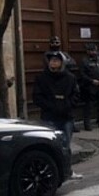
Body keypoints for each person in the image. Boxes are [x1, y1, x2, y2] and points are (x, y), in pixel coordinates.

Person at [33, 51, 82, 179]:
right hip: (49, 117)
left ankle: (68, 171)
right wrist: (51, 106)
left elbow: (76, 95)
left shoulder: (70, 78)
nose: (53, 62)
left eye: (56, 60)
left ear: (62, 63)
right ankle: (50, 173)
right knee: (49, 146)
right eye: (51, 60)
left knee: (65, 145)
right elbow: (37, 97)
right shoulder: (42, 78)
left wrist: (67, 105)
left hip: (66, 118)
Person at [45, 35, 81, 132]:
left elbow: (72, 62)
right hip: (52, 81)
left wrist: (66, 61)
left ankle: (71, 124)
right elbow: (48, 64)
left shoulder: (64, 53)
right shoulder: (48, 54)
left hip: (66, 80)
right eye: (53, 43)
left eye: (57, 42)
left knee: (69, 102)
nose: (55, 44)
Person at [79, 43, 99, 130]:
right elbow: (82, 74)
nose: (93, 52)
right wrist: (92, 81)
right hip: (90, 86)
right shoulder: (84, 61)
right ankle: (87, 124)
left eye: (94, 50)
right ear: (88, 51)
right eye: (91, 50)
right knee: (89, 106)